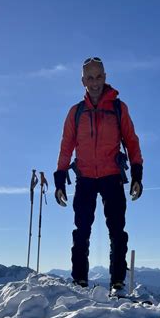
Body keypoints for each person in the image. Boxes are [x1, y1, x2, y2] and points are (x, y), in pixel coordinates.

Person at [54, 57, 143, 292]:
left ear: (106, 76)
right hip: (85, 178)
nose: (95, 82)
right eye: (90, 78)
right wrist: (59, 179)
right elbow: (66, 146)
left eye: (99, 76)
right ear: (83, 80)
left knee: (117, 231)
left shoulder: (118, 108)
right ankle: (80, 281)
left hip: (112, 175)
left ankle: (117, 282)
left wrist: (137, 174)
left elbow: (132, 142)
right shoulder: (76, 112)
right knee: (81, 230)